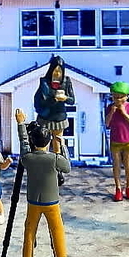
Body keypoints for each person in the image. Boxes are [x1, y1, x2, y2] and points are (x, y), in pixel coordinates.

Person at [15, 109, 75, 257]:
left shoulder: (27, 158)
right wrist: (62, 145)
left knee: (29, 232)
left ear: (33, 140)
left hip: (33, 202)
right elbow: (67, 167)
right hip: (51, 203)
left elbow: (23, 143)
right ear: (49, 141)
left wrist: (21, 124)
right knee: (57, 233)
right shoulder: (54, 159)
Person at [34, 55, 75, 184]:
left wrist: (65, 98)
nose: (57, 73)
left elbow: (72, 100)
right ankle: (44, 170)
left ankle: (58, 171)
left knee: (57, 144)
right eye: (55, 70)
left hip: (59, 117)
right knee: (44, 144)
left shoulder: (66, 81)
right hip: (46, 118)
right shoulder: (44, 83)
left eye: (60, 71)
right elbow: (41, 101)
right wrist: (54, 99)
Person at [106, 81, 129, 202]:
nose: (118, 100)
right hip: (115, 140)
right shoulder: (110, 107)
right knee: (116, 164)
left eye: (121, 97)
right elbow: (107, 123)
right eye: (115, 97)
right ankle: (118, 188)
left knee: (128, 164)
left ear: (127, 96)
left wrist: (124, 112)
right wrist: (112, 112)